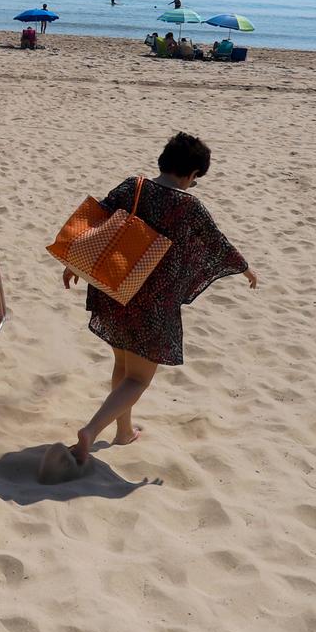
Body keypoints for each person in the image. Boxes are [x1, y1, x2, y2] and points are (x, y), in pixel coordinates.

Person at [63, 132, 257, 463]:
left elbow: (97, 223)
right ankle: (90, 431)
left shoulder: (132, 186)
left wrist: (75, 266)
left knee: (123, 364)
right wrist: (245, 269)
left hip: (114, 288)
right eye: (197, 178)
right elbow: (216, 244)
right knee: (138, 377)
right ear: (192, 173)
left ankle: (123, 432)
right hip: (152, 304)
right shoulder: (189, 207)